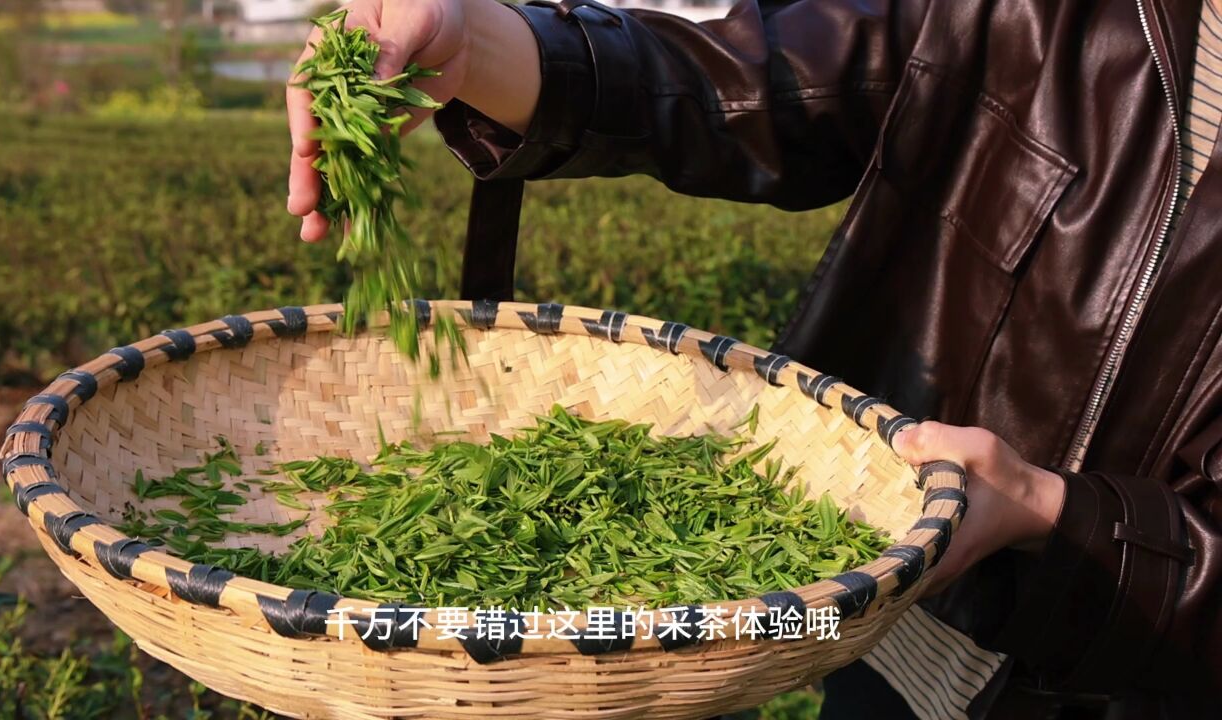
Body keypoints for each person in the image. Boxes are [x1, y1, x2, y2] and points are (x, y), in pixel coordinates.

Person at [286, 1, 1222, 717]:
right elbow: (767, 79)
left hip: (1123, 680)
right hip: (882, 627)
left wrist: (1057, 517)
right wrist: (477, 43)